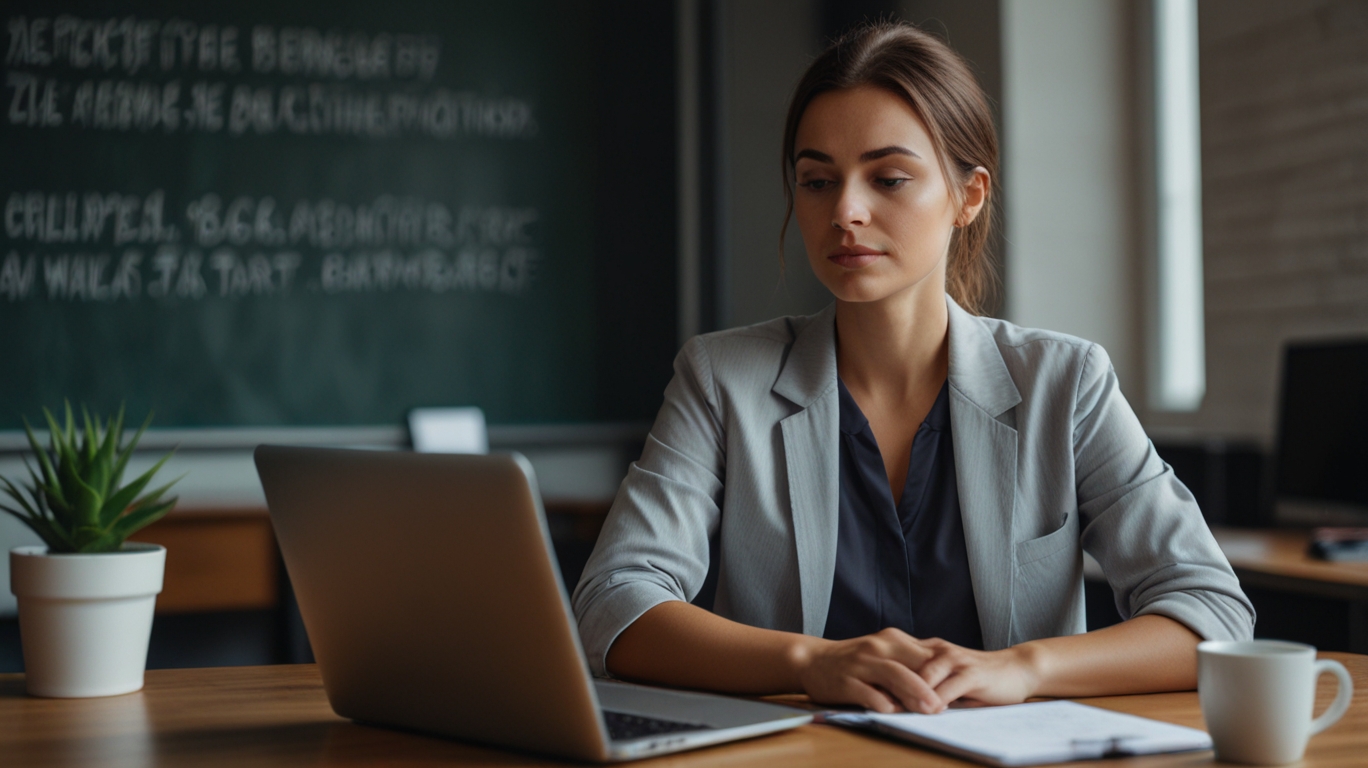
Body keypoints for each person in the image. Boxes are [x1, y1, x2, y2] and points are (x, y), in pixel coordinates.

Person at [571, 21, 1253, 715]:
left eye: (889, 178)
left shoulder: (1065, 383)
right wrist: (812, 663)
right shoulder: (721, 378)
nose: (845, 211)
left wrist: (1025, 668)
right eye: (817, 180)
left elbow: (1212, 609)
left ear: (970, 196)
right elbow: (612, 602)